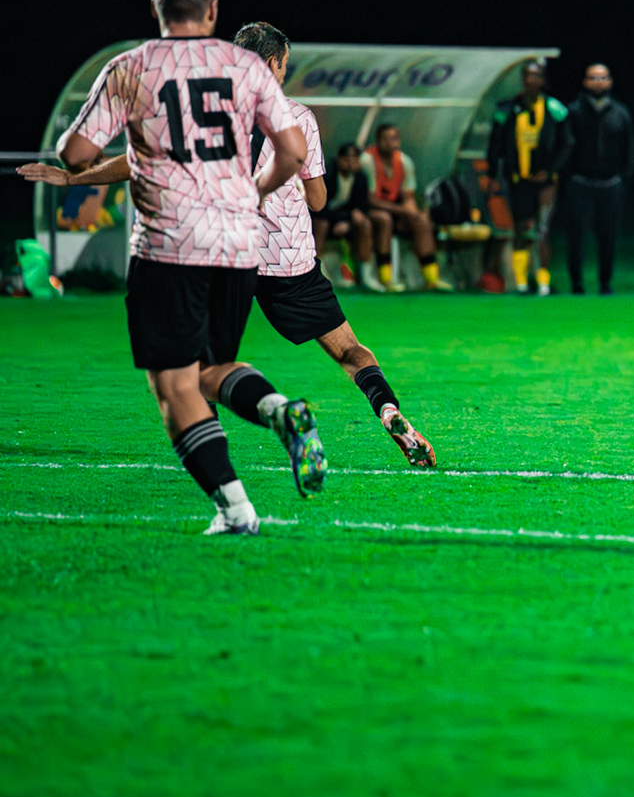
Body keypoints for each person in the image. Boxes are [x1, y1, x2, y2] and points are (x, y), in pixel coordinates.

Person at [29, 25, 443, 469]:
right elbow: (319, 200)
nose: (285, 72)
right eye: (284, 64)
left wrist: (74, 178)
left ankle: (256, 432)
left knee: (198, 368)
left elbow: (138, 162)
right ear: (270, 65)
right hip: (291, 263)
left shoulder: (201, 113)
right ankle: (387, 409)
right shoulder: (298, 117)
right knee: (350, 352)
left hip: (227, 259)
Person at [47, 0, 318, 535]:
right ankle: (278, 410)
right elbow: (293, 153)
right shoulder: (245, 68)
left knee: (173, 385)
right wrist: (253, 189)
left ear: (155, 7)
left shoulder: (133, 66)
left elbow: (76, 155)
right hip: (238, 242)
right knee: (208, 369)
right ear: (214, 9)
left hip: (170, 243)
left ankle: (237, 509)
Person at [487, 60, 573, 295]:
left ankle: (543, 282)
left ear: (543, 80)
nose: (531, 80)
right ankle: (521, 282)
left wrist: (552, 169)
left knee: (542, 229)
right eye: (527, 76)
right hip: (518, 179)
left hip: (544, 180)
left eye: (536, 76)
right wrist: (493, 173)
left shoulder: (554, 108)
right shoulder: (508, 109)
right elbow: (495, 145)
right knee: (521, 229)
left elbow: (567, 143)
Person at [563, 63, 634, 296]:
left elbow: (629, 150)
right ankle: (577, 283)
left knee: (608, 237)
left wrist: (623, 178)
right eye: (593, 78)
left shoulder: (620, 112)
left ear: (610, 81)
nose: (598, 82)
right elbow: (565, 147)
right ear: (585, 81)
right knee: (576, 237)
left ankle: (605, 283)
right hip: (580, 183)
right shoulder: (573, 111)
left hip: (610, 184)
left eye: (603, 77)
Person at [362, 122, 451, 291]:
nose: (390, 143)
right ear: (377, 140)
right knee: (384, 219)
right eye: (385, 139)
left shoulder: (404, 161)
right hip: (370, 210)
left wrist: (412, 212)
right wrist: (401, 210)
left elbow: (408, 195)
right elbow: (370, 199)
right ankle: (386, 278)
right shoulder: (367, 160)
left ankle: (431, 277)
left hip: (395, 209)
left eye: (394, 139)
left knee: (422, 221)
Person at [316, 140, 383, 288]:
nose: (350, 163)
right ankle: (318, 267)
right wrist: (342, 219)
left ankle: (365, 274)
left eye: (354, 159)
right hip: (325, 218)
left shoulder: (360, 178)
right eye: (346, 159)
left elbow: (362, 206)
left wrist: (347, 220)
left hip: (345, 220)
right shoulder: (327, 176)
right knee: (321, 222)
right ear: (338, 159)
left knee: (364, 223)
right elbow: (320, 207)